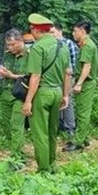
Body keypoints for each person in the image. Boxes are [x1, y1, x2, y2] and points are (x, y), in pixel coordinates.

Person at [21, 14, 71, 173]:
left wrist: (28, 101)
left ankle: (43, 170)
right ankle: (52, 164)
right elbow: (68, 73)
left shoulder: (38, 48)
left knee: (40, 133)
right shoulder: (63, 46)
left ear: (36, 30)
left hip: (42, 93)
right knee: (52, 131)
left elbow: (35, 77)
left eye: (31, 30)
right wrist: (66, 95)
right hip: (57, 92)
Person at [64, 21, 98, 152]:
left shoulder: (87, 46)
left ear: (82, 31)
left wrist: (79, 83)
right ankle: (83, 137)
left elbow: (87, 66)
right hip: (84, 82)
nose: (73, 34)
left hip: (86, 83)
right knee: (80, 111)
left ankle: (78, 142)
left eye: (75, 31)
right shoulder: (85, 44)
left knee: (83, 113)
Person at [0, 29, 30, 164]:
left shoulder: (30, 55)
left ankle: (15, 158)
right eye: (8, 45)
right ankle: (17, 151)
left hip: (20, 95)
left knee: (16, 125)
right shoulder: (7, 55)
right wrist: (2, 73)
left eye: (13, 44)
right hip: (6, 93)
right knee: (7, 126)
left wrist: (11, 76)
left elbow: (30, 77)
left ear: (21, 40)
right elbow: (5, 71)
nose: (10, 47)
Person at [53, 23, 79, 140]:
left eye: (53, 32)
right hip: (55, 78)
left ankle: (70, 127)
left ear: (60, 31)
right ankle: (58, 126)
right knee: (56, 101)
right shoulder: (50, 45)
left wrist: (70, 77)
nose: (51, 34)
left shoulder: (68, 44)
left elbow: (74, 63)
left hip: (67, 77)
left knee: (68, 101)